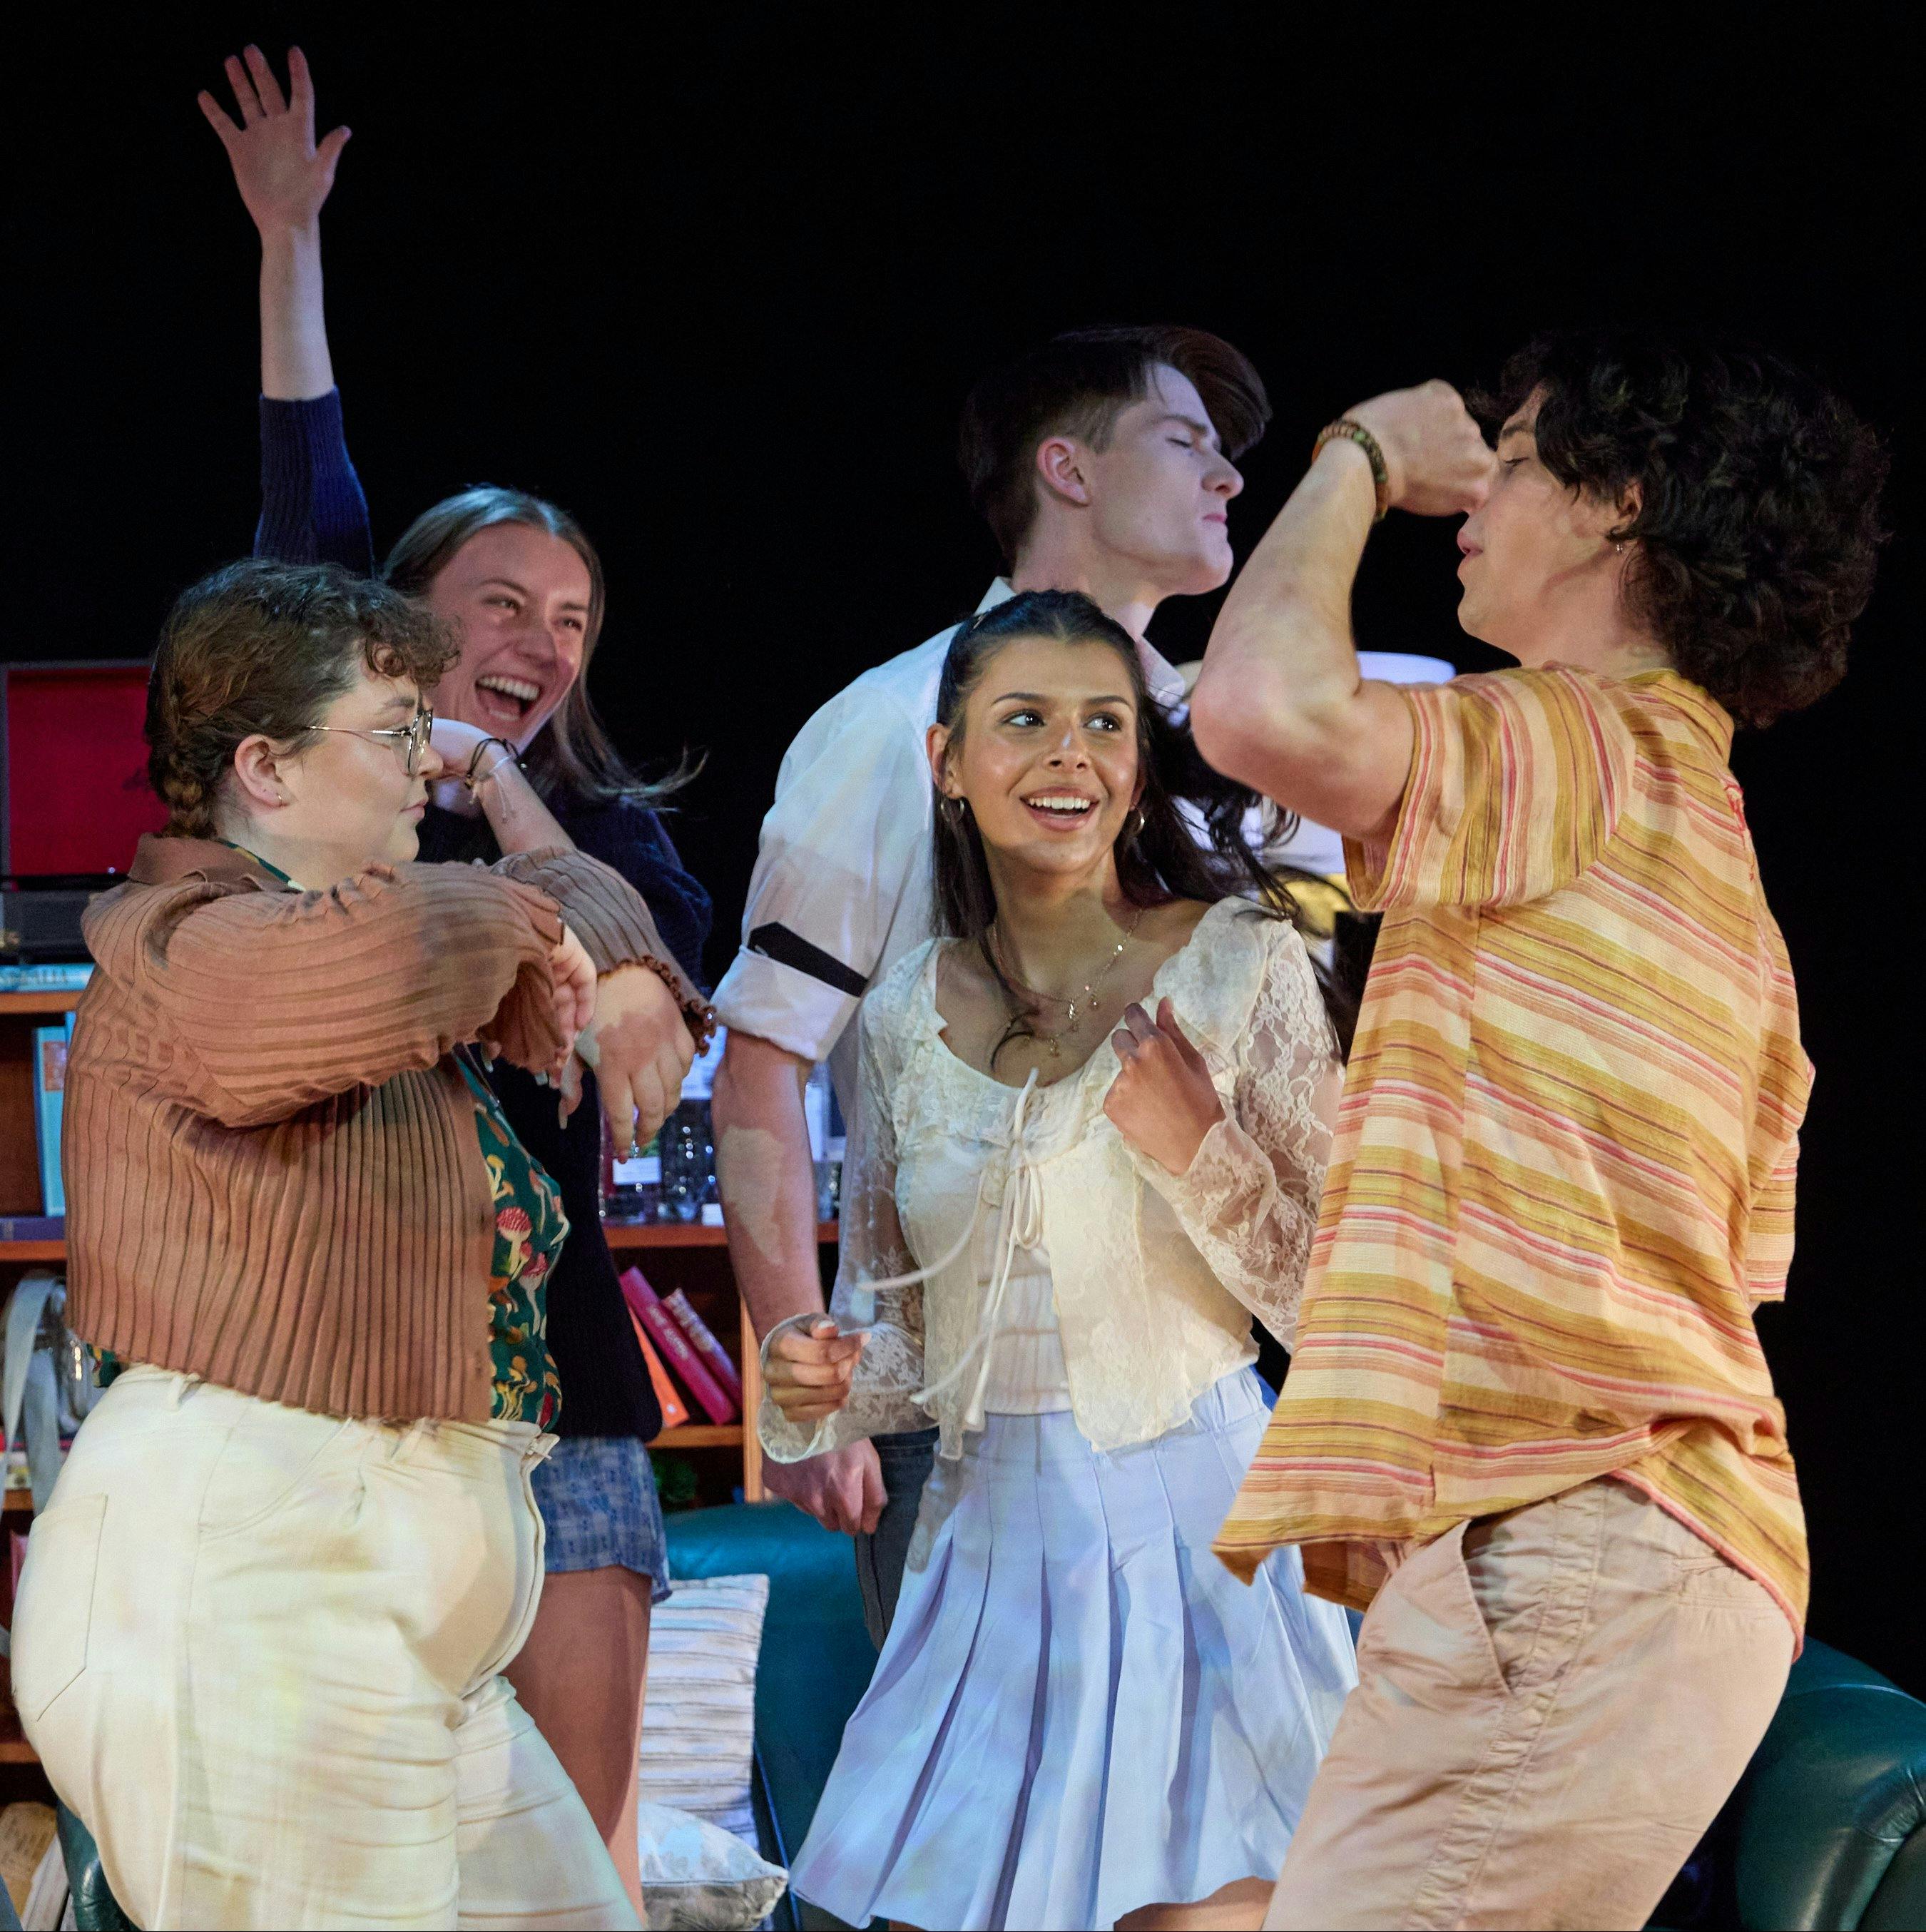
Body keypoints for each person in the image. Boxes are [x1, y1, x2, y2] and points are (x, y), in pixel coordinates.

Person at [1192, 333, 1887, 1931]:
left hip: (1579, 1548)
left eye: (1512, 459)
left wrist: (1355, 456)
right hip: (1628, 1556)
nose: (1475, 495)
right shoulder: (1697, 830)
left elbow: (1255, 706)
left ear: (1618, 506)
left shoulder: (1583, 742)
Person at [197, 49, 711, 1909]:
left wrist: (495, 781)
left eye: (568, 622)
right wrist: (288, 245)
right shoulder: (325, 799)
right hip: (337, 1403)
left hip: (561, 1405)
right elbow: (307, 485)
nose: (539, 642)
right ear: (410, 618)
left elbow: (643, 949)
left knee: (564, 1867)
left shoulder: (610, 830)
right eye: (498, 603)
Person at [11, 559, 707, 1929]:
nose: (427, 767)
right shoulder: (186, 946)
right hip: (252, 1606)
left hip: (386, 1626)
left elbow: (562, 905)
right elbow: (430, 942)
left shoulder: (381, 987)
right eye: (397, 733)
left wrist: (586, 927)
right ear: (263, 768)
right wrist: (580, 942)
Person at [755, 590, 1358, 1932]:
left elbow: (1344, 1306)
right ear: (947, 763)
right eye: (1023, 721)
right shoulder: (907, 1008)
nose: (1068, 756)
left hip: (1200, 1545)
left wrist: (1205, 1150)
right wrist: (821, 1379)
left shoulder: (1238, 960)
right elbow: (914, 1342)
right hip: (982, 1554)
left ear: (1141, 763)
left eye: (1105, 723)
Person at [710, 322, 1269, 1644]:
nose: (1231, 478)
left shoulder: (1217, 743)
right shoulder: (891, 729)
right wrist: (800, 1378)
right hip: (965, 1397)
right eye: (1188, 441)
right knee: (982, 1822)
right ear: (1066, 470)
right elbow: (762, 1063)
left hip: (1202, 1396)